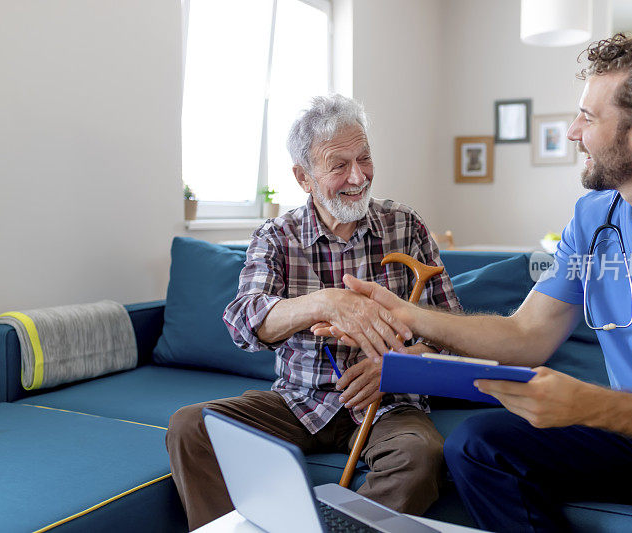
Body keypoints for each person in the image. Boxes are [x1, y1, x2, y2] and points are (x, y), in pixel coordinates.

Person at [323, 34, 632, 531]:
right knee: (480, 446)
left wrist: (594, 404)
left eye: (588, 118)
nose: (572, 131)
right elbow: (528, 336)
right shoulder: (596, 217)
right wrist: (407, 314)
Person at [165, 94, 461, 531]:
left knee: (421, 457)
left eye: (364, 159)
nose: (358, 177)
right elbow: (245, 321)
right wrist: (324, 302)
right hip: (299, 401)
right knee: (192, 426)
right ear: (303, 177)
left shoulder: (405, 224)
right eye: (338, 165)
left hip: (390, 406)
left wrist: (401, 367)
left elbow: (454, 332)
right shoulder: (277, 235)